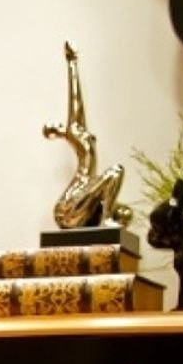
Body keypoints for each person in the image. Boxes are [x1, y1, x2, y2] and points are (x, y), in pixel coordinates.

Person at [43, 41, 131, 229]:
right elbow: (76, 103)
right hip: (67, 210)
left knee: (115, 174)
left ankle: (106, 218)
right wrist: (72, 63)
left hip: (73, 210)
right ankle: (107, 219)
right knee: (116, 171)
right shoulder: (78, 134)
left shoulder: (92, 189)